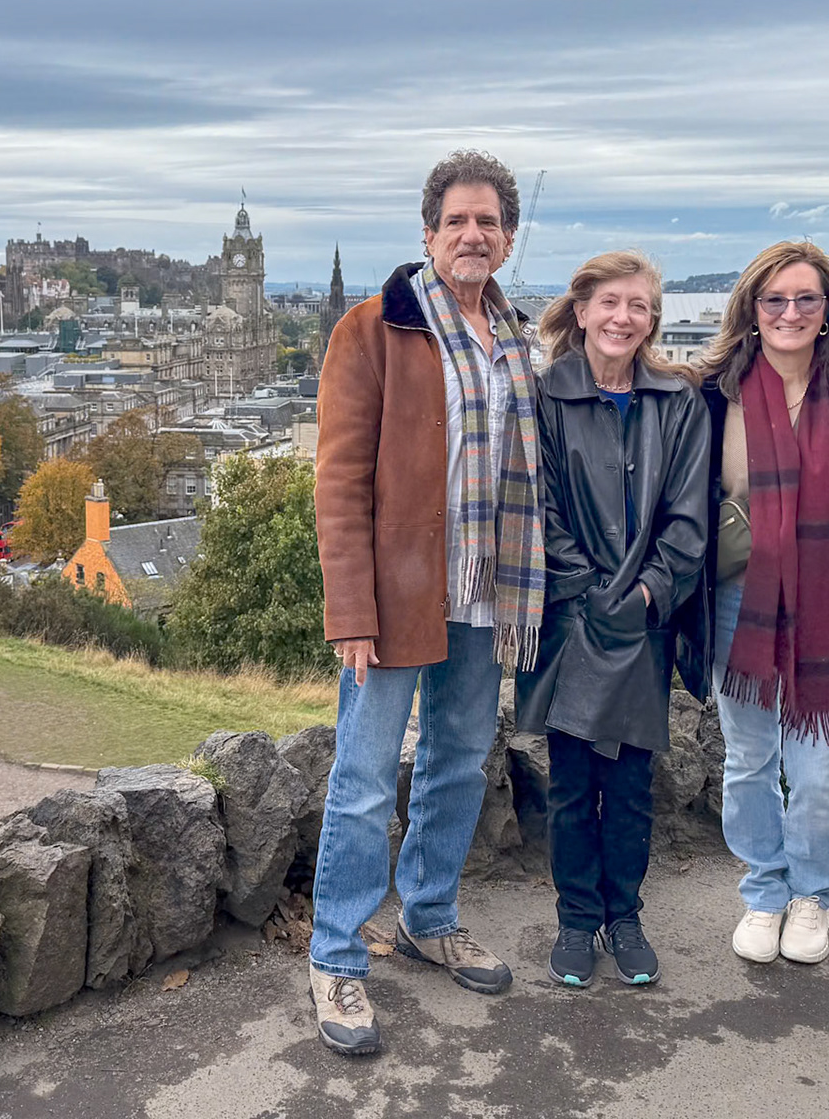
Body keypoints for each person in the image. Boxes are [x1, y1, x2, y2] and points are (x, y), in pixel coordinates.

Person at [309, 149, 545, 1055]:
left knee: (456, 765)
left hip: (490, 594)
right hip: (399, 598)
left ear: (509, 238)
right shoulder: (372, 330)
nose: (473, 235)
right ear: (429, 233)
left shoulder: (521, 337)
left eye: (489, 223)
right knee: (365, 780)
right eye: (457, 221)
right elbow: (338, 485)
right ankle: (336, 954)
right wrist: (351, 613)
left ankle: (429, 916)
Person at [687, 241, 829, 968]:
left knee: (816, 763)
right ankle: (764, 890)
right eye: (775, 299)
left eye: (807, 299)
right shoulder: (714, 391)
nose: (790, 313)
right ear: (750, 309)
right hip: (739, 598)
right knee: (747, 756)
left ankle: (813, 895)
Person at [515, 251, 708, 989]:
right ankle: (574, 920)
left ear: (652, 320)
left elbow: (688, 520)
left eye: (638, 306)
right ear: (583, 310)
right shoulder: (544, 396)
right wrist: (589, 589)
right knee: (568, 778)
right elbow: (540, 509)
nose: (623, 317)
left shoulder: (678, 401)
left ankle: (623, 917)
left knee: (630, 781)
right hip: (569, 617)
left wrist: (651, 593)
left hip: (646, 621)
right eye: (610, 303)